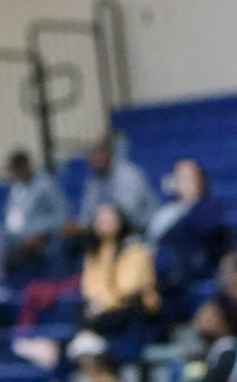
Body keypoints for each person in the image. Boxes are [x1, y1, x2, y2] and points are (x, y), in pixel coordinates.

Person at [79, 201, 160, 341]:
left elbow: (128, 288)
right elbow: (88, 287)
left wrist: (104, 305)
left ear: (120, 220)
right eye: (99, 219)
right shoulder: (93, 254)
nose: (102, 222)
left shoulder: (136, 249)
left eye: (108, 218)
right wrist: (97, 304)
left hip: (133, 310)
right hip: (103, 312)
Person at [148, 158, 229, 291]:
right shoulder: (165, 213)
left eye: (188, 178)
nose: (184, 183)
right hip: (164, 280)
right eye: (179, 178)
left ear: (200, 180)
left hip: (194, 280)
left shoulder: (210, 208)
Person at [73, 134, 157, 239]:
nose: (94, 159)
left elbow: (125, 215)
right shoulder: (93, 180)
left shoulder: (128, 174)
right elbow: (87, 211)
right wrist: (81, 226)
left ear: (108, 154)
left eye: (98, 154)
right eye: (91, 155)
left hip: (141, 230)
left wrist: (96, 223)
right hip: (110, 230)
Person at [2, 150, 69, 276]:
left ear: (25, 166)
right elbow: (11, 219)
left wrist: (37, 232)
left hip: (44, 235)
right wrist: (20, 236)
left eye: (17, 169)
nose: (15, 174)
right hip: (19, 237)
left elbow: (61, 216)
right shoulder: (17, 188)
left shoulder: (46, 184)